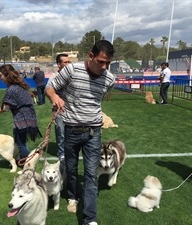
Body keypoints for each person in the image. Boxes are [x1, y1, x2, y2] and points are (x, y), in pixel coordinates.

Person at [45, 40, 115, 225]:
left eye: (107, 63)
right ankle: (72, 197)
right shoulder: (72, 70)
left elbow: (96, 101)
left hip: (94, 133)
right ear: (91, 56)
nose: (104, 67)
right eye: (100, 61)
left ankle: (89, 219)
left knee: (91, 174)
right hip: (71, 131)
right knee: (71, 168)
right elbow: (49, 88)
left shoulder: (109, 79)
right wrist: (55, 97)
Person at [0, 64, 42, 163]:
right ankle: (24, 160)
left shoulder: (11, 89)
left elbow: (5, 108)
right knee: (22, 141)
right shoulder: (21, 85)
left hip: (21, 118)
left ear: (6, 75)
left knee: (19, 143)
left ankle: (29, 162)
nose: (0, 77)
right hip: (30, 116)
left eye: (0, 75)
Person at [46, 53, 70, 161]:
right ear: (58, 64)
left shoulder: (73, 75)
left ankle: (71, 152)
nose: (68, 64)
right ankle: (61, 154)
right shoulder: (54, 77)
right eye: (65, 62)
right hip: (60, 110)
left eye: (69, 62)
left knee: (72, 133)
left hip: (73, 110)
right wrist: (55, 99)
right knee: (61, 133)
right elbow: (48, 90)